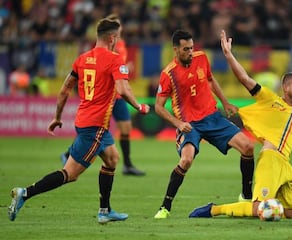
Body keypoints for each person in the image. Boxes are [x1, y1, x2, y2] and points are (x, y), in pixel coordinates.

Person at [188, 30, 292, 219]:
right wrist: (229, 55)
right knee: (258, 210)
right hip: (271, 160)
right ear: (286, 88)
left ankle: (270, 205)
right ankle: (214, 209)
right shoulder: (271, 100)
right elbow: (245, 79)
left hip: (286, 165)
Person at [8, 18, 150, 223]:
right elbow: (122, 89)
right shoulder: (114, 59)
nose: (117, 40)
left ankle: (105, 210)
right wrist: (139, 106)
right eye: (117, 37)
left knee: (112, 158)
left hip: (86, 121)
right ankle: (25, 193)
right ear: (112, 38)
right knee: (70, 174)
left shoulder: (82, 59)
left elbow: (65, 90)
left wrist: (57, 117)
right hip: (95, 126)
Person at [153, 29, 255, 219]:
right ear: (175, 50)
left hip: (212, 117)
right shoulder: (168, 74)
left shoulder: (201, 58)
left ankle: (246, 196)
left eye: (191, 48)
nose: (190, 52)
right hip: (190, 124)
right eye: (185, 49)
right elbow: (158, 107)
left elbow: (210, 80)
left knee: (248, 147)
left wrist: (225, 102)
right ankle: (165, 207)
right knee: (186, 160)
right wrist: (178, 123)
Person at [61, 14, 145, 176]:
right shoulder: (107, 48)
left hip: (117, 95)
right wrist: (138, 105)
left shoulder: (122, 45)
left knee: (125, 128)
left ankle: (127, 164)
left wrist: (125, 69)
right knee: (95, 130)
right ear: (111, 34)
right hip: (107, 95)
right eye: (117, 27)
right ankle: (70, 154)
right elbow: (107, 65)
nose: (120, 30)